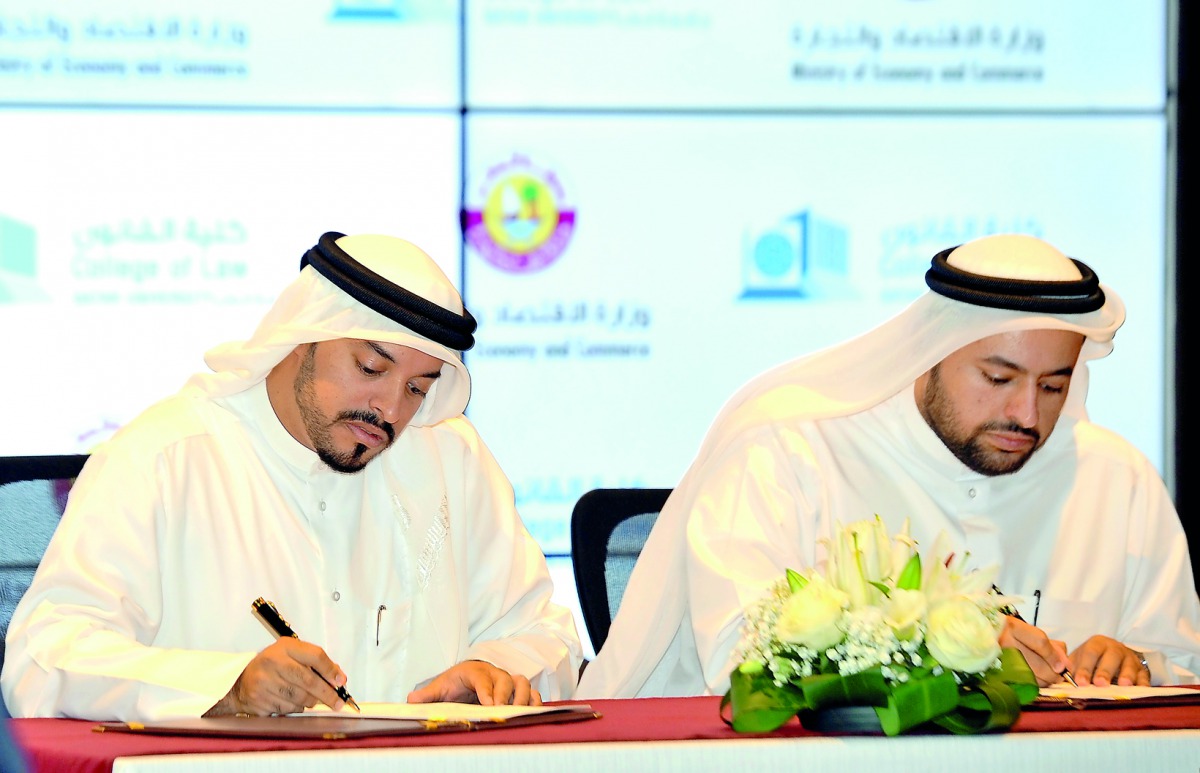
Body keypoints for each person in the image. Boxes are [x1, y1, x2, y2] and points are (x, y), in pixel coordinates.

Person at [577, 233, 1200, 699]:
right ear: (930, 353)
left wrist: (1135, 663)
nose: (1027, 415)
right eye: (998, 378)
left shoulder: (1118, 481)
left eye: (1054, 385)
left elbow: (1181, 663)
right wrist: (949, 652)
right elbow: (739, 657)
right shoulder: (789, 449)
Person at [0, 231, 582, 720]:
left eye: (417, 388)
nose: (391, 411)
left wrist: (498, 671)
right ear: (303, 336)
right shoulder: (167, 458)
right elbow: (45, 655)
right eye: (371, 367)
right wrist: (226, 688)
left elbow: (545, 634)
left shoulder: (449, 459)